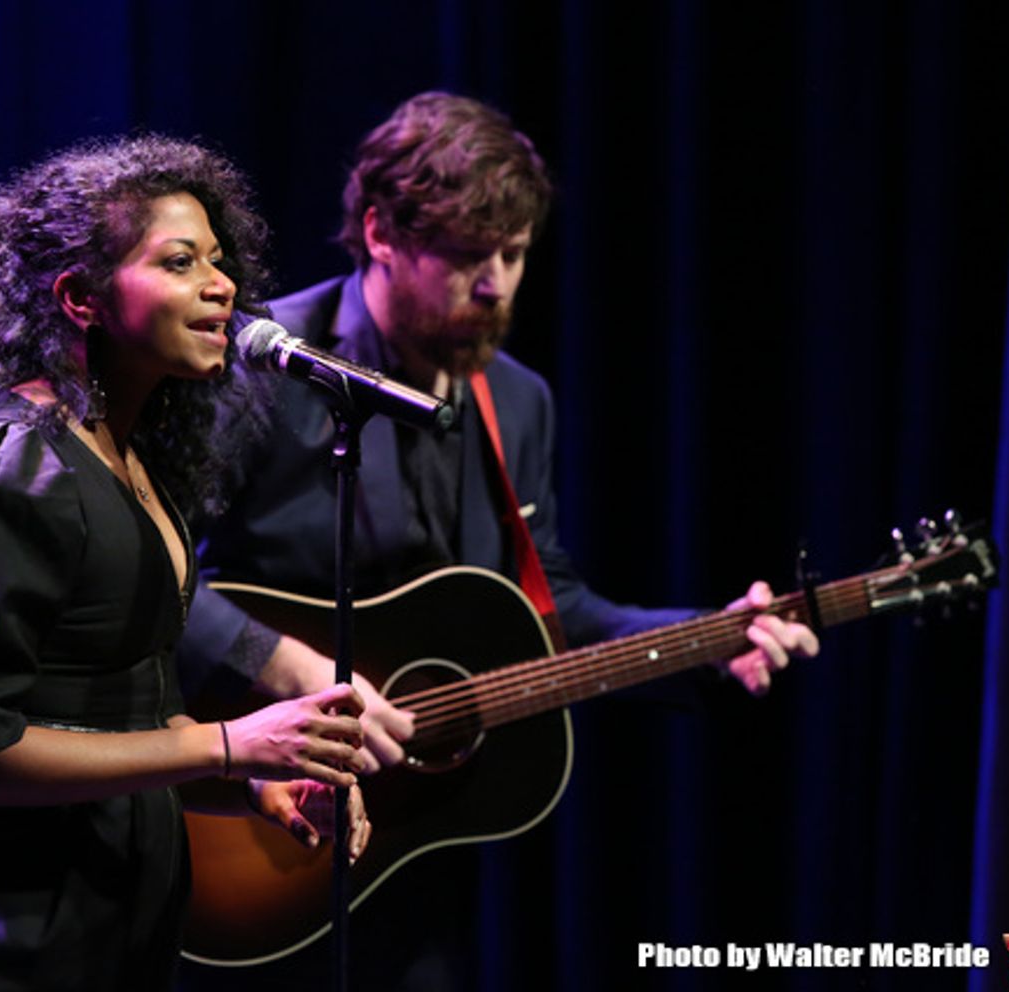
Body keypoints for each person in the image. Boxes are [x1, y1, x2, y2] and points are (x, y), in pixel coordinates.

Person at [176, 93, 819, 986]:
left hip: (411, 859)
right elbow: (150, 581)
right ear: (380, 232)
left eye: (515, 256)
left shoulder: (519, 401)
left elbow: (552, 609)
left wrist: (712, 637)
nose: (499, 285)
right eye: (471, 258)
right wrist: (287, 663)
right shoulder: (262, 365)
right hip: (247, 821)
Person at [0, 135, 373, 992]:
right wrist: (230, 744)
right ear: (80, 298)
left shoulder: (131, 454)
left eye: (219, 262)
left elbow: (108, 716)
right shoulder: (9, 458)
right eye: (181, 262)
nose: (223, 286)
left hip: (100, 911)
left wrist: (252, 784)